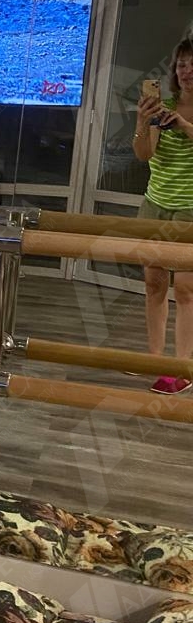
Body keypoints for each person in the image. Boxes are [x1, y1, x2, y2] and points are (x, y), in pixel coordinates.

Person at [133, 35, 193, 394]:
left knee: (186, 288)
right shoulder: (162, 105)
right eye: (182, 64)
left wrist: (184, 125)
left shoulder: (179, 114)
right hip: (155, 204)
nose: (187, 71)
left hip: (191, 208)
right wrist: (144, 122)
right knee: (154, 283)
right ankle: (155, 361)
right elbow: (144, 154)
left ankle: (182, 367)